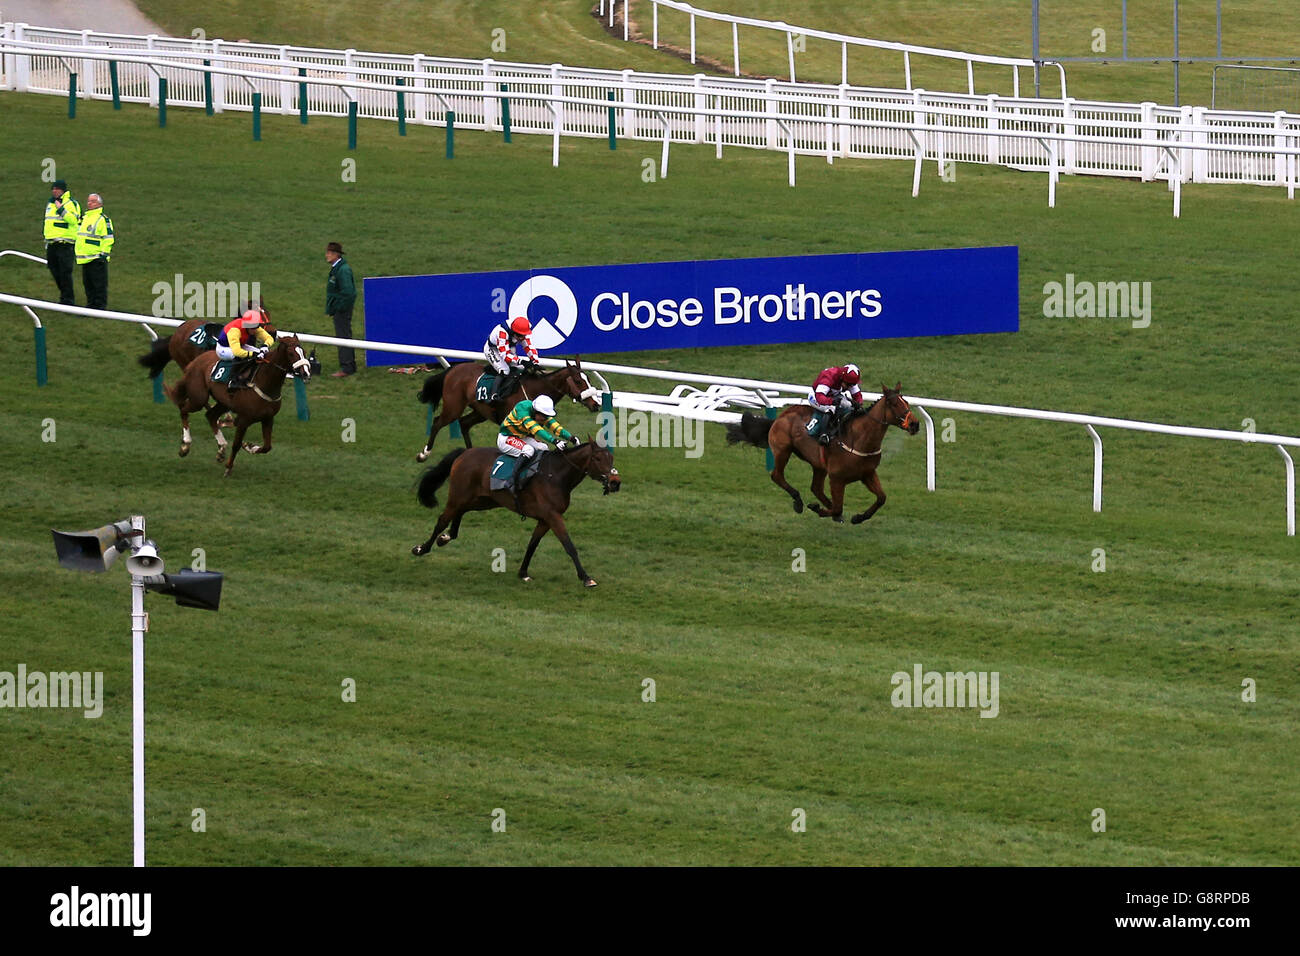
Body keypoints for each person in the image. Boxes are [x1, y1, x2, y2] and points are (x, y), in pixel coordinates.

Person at [496, 394, 578, 501]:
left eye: (545, 416)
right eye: (543, 416)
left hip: (522, 437)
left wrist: (571, 437)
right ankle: (512, 481)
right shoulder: (523, 408)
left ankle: (535, 476)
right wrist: (555, 441)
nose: (544, 419)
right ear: (535, 411)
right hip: (506, 438)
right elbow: (536, 429)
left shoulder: (540, 413)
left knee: (544, 447)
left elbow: (555, 427)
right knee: (528, 450)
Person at [214, 308, 277, 387]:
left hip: (239, 345)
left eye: (256, 326)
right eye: (253, 327)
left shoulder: (253, 327)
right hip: (224, 349)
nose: (255, 330)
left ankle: (252, 377)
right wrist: (253, 354)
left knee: (261, 354)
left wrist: (265, 346)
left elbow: (269, 338)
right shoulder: (235, 330)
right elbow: (237, 352)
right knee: (241, 356)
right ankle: (233, 380)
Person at [805, 363, 864, 445]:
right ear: (842, 378)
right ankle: (824, 435)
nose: (849, 388)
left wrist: (858, 403)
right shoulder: (829, 377)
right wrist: (831, 401)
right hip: (815, 397)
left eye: (851, 385)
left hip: (833, 396)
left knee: (848, 405)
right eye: (847, 385)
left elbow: (857, 396)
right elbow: (819, 397)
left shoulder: (848, 380)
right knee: (832, 408)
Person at [483, 315, 540, 400]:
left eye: (523, 335)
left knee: (519, 368)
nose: (521, 338)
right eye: (519, 335)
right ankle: (493, 394)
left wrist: (535, 361)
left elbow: (529, 347)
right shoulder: (502, 332)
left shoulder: (523, 331)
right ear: (513, 332)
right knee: (505, 370)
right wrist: (521, 361)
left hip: (508, 346)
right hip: (493, 349)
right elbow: (505, 355)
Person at [43, 179, 81, 305]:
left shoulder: (71, 203)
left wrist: (61, 210)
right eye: (53, 189)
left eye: (57, 189)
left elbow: (73, 220)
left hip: (65, 243)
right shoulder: (50, 204)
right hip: (52, 243)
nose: (54, 191)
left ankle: (68, 301)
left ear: (63, 190)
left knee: (65, 272)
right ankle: (65, 296)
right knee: (54, 270)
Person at [75, 193, 114, 310]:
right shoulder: (85, 218)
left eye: (92, 201)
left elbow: (108, 238)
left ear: (99, 204)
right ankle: (91, 306)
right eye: (88, 201)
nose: (89, 203)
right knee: (88, 285)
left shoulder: (103, 219)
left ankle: (100, 308)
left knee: (99, 285)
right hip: (85, 258)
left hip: (97, 258)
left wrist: (103, 255)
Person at [324, 241, 358, 378]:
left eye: (329, 253)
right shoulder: (338, 268)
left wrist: (338, 308)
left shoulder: (342, 270)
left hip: (342, 310)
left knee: (343, 337)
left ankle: (347, 367)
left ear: (336, 254)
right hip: (340, 309)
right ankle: (349, 365)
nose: (326, 255)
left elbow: (349, 293)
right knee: (343, 336)